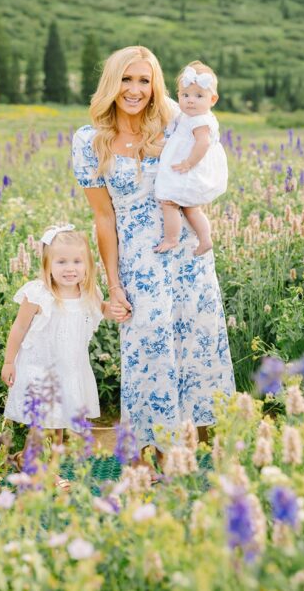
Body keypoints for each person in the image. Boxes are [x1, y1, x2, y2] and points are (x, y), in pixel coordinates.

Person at [71, 45, 235, 462]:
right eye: (126, 79)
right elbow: (103, 219)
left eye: (145, 80)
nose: (135, 89)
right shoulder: (90, 141)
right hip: (140, 263)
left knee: (198, 342)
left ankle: (207, 453)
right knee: (150, 350)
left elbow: (208, 151)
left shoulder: (174, 124)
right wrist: (114, 285)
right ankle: (157, 454)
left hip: (187, 256)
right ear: (112, 82)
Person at [1, 225, 111, 457]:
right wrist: (9, 362)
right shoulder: (39, 295)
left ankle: (28, 460)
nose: (70, 268)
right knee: (45, 424)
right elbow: (19, 327)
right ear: (47, 265)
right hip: (40, 367)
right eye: (61, 262)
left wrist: (121, 310)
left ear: (87, 266)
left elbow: (103, 310)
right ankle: (42, 468)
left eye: (77, 262)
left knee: (58, 424)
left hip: (69, 368)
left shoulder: (88, 294)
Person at [153, 61, 229, 256]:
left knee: (169, 202)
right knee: (191, 208)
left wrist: (188, 163)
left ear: (213, 99)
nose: (190, 100)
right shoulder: (193, 115)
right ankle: (205, 239)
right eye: (185, 95)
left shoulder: (200, 120)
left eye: (198, 96)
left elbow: (202, 144)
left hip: (188, 169)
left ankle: (171, 239)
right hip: (188, 168)